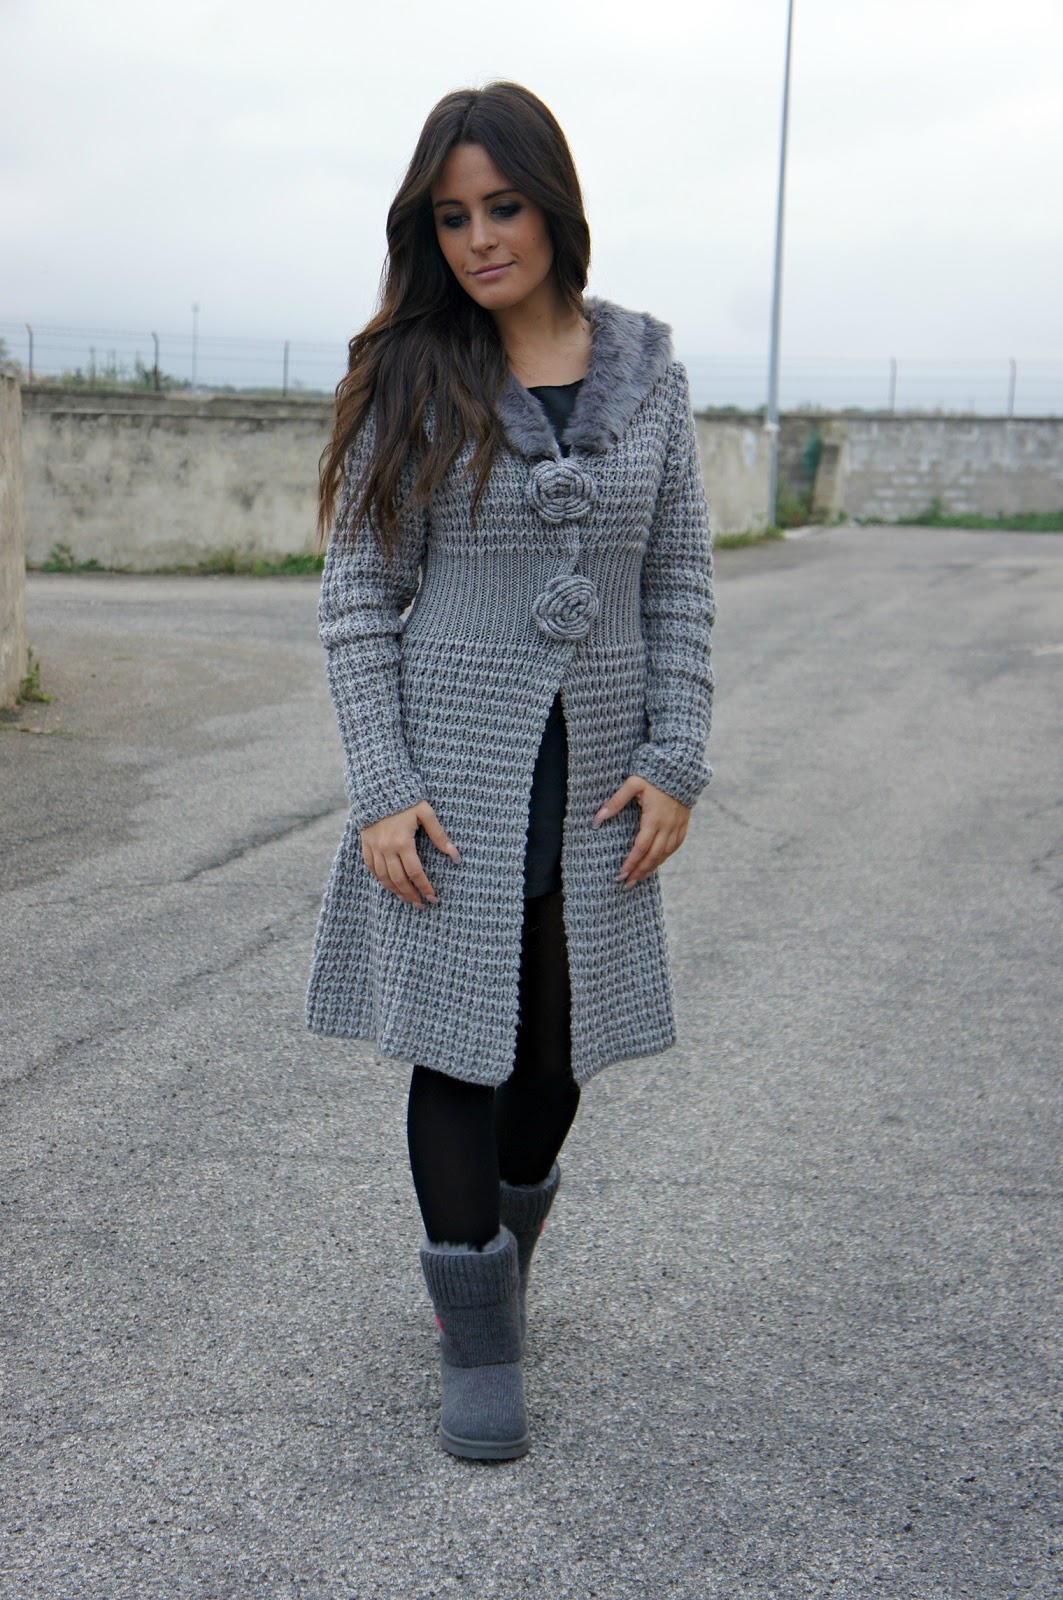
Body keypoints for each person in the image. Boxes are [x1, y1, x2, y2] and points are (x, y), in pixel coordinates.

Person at [306, 81, 715, 1462]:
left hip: (597, 775)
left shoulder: (649, 376)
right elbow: (358, 597)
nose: (480, 238)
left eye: (503, 207)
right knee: (457, 1049)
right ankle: (475, 1335)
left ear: (554, 206)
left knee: (555, 1055)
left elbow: (679, 581)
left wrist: (676, 757)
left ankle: (499, 1261)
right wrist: (380, 785)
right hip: (450, 773)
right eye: (452, 217)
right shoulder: (414, 374)